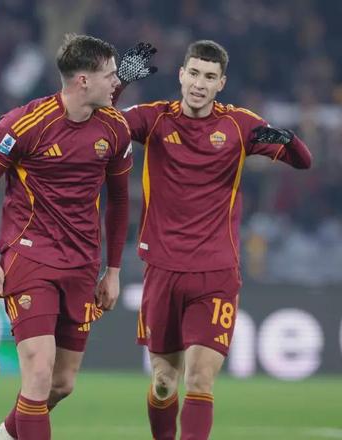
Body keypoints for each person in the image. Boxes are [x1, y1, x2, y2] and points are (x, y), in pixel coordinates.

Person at [121, 40, 313, 439]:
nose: (199, 84)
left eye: (209, 77)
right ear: (181, 75)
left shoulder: (239, 125)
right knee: (164, 382)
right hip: (162, 270)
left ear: (221, 83)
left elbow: (303, 161)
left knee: (200, 379)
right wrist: (120, 83)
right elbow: (97, 126)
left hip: (216, 273)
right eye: (193, 73)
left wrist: (288, 139)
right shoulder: (154, 118)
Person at [0, 34, 135, 440]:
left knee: (61, 384)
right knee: (38, 373)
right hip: (30, 257)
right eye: (111, 75)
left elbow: (119, 201)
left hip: (82, 264)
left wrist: (112, 271)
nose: (118, 83)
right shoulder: (23, 124)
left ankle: (1, 437)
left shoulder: (115, 128)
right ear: (82, 81)